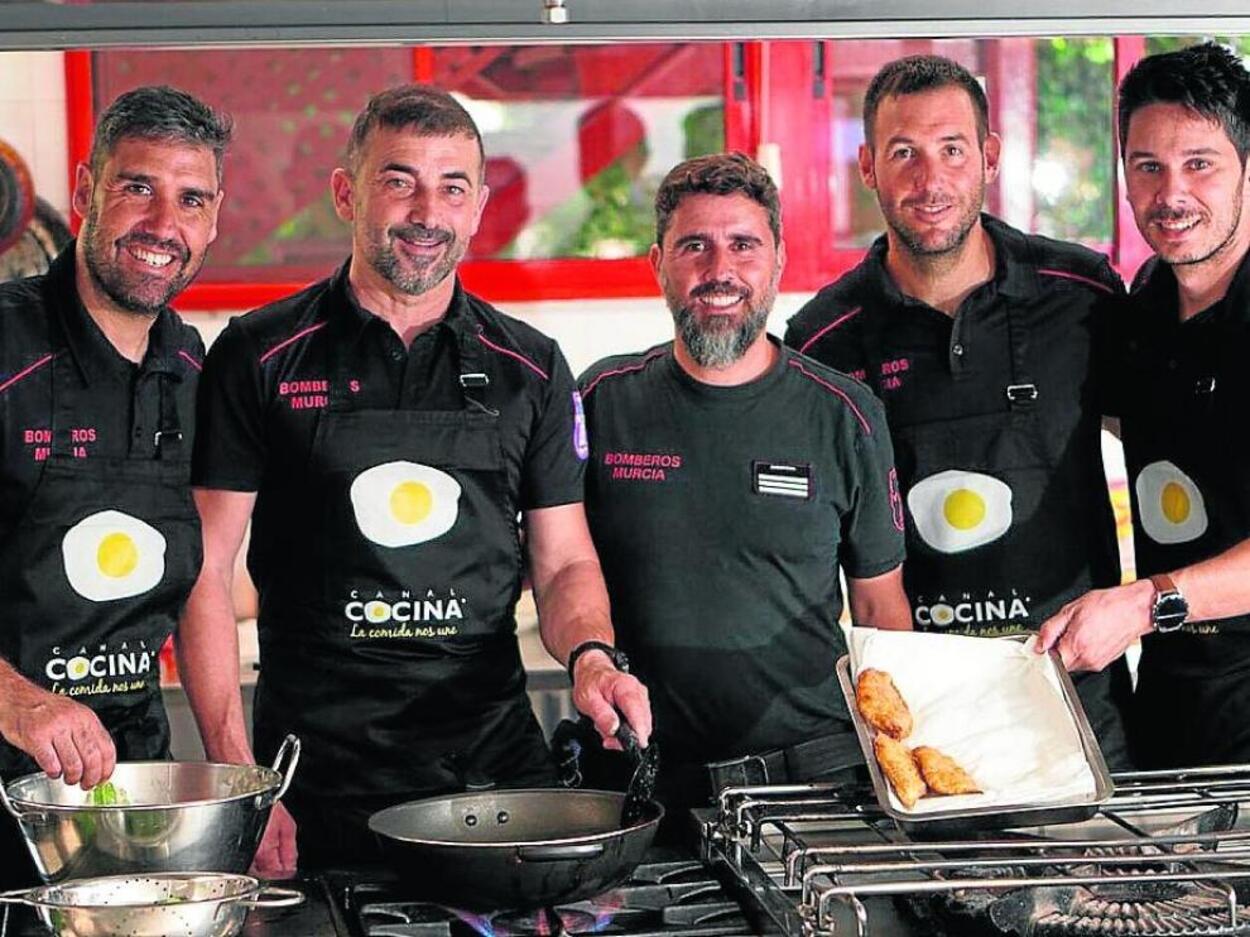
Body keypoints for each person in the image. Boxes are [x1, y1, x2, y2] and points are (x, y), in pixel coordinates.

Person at [179, 84, 651, 873]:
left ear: (477, 208)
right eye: (399, 181)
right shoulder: (257, 355)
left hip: (491, 773)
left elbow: (565, 559)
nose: (426, 210)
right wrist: (243, 781)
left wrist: (594, 657)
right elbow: (204, 567)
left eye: (452, 187)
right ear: (345, 193)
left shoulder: (529, 366)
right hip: (317, 779)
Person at [783, 55, 1134, 767]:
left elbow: (1166, 442)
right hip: (925, 718)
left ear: (990, 157)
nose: (929, 179)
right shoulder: (823, 337)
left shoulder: (1082, 295)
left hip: (1079, 699)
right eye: (903, 152)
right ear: (867, 167)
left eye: (951, 149)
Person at [577, 152, 911, 817]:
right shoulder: (600, 403)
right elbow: (553, 566)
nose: (719, 270)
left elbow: (880, 612)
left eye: (743, 245)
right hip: (639, 781)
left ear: (779, 259)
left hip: (811, 782)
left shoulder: (844, 414)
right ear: (658, 263)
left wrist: (901, 768)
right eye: (694, 246)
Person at [0, 85, 229, 887]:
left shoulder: (197, 369)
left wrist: (241, 781)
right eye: (138, 187)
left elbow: (203, 578)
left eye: (190, 199)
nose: (163, 226)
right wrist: (20, 701)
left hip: (123, 802)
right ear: (86, 191)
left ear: (213, 217)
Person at [1038, 43, 1250, 768]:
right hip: (1174, 707)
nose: (1171, 194)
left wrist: (1143, 601)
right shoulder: (1141, 313)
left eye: (1201, 163)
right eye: (1147, 166)